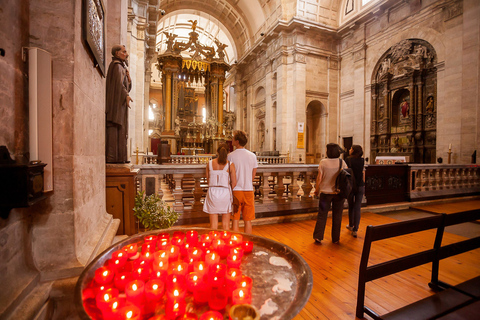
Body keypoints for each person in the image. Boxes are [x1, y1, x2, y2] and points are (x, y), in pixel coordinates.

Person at [313, 143, 348, 244]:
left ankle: (318, 237)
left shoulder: (323, 162)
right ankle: (336, 238)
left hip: (325, 194)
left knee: (322, 215)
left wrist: (316, 190)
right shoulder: (342, 162)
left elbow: (319, 177)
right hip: (338, 194)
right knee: (337, 215)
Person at [106, 45, 133, 163]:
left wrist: (129, 79)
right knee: (116, 130)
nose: (126, 54)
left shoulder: (121, 67)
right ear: (117, 53)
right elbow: (118, 84)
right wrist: (126, 95)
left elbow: (125, 87)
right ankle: (114, 157)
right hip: (116, 105)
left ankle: (120, 157)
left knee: (122, 131)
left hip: (120, 104)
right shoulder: (117, 66)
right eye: (124, 52)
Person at [228, 130, 258, 234]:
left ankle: (235, 242)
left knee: (235, 220)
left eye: (233, 138)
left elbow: (229, 174)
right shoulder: (252, 156)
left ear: (237, 141)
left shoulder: (231, 156)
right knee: (248, 220)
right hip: (248, 190)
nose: (231, 140)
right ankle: (247, 241)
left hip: (236, 191)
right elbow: (253, 174)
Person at [203, 144, 237, 230]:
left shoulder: (209, 164)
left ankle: (214, 242)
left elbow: (208, 180)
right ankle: (225, 242)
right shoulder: (230, 165)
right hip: (225, 193)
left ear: (217, 152)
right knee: (226, 226)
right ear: (228, 153)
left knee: (213, 226)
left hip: (212, 192)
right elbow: (234, 183)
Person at [345, 145, 365, 238]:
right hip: (360, 185)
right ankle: (355, 229)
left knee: (351, 206)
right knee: (357, 207)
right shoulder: (362, 160)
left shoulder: (348, 160)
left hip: (351, 185)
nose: (349, 150)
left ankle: (350, 225)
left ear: (353, 151)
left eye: (351, 148)